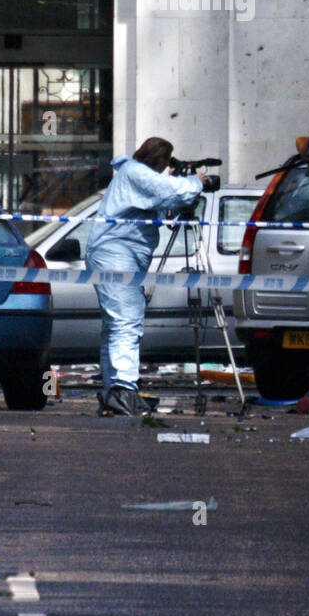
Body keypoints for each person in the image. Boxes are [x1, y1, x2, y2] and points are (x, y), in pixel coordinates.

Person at [86, 137, 205, 417]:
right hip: (116, 254)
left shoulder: (134, 175)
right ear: (160, 160)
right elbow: (175, 191)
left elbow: (164, 207)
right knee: (126, 321)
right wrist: (197, 181)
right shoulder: (136, 173)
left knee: (116, 325)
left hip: (119, 253)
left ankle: (115, 392)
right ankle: (123, 390)